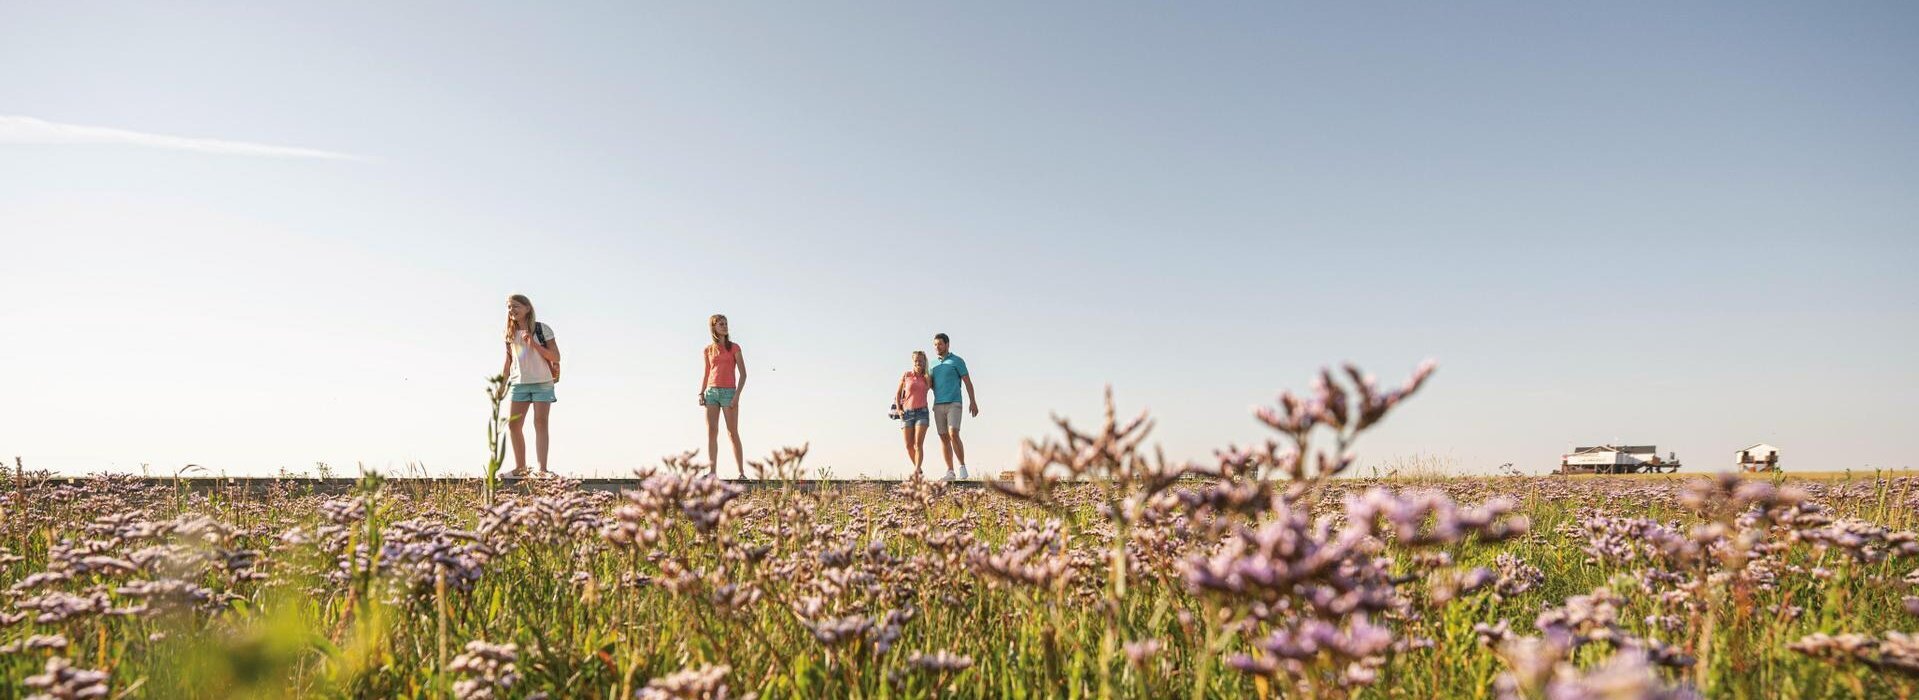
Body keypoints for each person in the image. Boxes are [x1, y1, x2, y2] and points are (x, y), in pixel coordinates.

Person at [501, 294, 560, 478]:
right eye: (509, 307)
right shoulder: (509, 333)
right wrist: (502, 385)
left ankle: (543, 470)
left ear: (527, 308)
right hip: (519, 383)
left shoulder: (542, 329)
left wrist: (532, 343)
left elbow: (555, 357)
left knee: (540, 423)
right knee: (514, 425)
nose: (512, 310)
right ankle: (521, 468)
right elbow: (508, 361)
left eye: (516, 306)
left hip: (542, 382)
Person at [700, 314, 747, 478]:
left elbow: (743, 374)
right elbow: (707, 373)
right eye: (721, 324)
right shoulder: (708, 350)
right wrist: (701, 392)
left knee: (732, 432)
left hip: (729, 393)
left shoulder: (734, 348)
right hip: (711, 393)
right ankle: (712, 472)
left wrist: (737, 396)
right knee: (712, 432)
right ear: (714, 327)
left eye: (726, 323)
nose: (725, 326)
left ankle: (741, 473)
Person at [928, 332, 978, 480]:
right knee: (943, 436)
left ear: (947, 345)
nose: (937, 347)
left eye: (940, 344)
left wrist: (973, 401)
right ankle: (950, 471)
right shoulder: (932, 364)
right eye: (935, 345)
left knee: (953, 432)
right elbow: (929, 384)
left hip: (954, 403)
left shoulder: (957, 361)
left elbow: (967, 382)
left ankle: (962, 466)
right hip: (938, 404)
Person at [895, 351, 932, 479]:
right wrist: (899, 410)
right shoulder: (907, 375)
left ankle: (916, 470)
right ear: (913, 361)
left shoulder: (927, 377)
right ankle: (919, 468)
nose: (918, 362)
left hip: (922, 413)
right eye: (916, 360)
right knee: (908, 446)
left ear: (924, 362)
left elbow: (935, 389)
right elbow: (898, 394)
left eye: (921, 360)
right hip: (907, 413)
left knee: (918, 444)